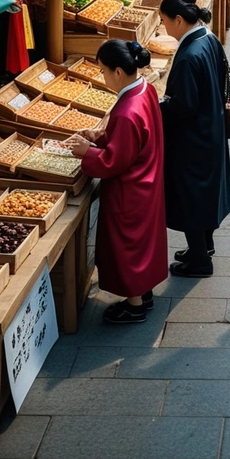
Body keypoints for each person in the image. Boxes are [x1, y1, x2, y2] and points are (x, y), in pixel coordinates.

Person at [67, 39, 167, 325]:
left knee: (127, 246)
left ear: (119, 72)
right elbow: (132, 140)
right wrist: (98, 137)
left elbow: (115, 161)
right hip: (148, 180)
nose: (102, 76)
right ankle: (143, 293)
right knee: (144, 242)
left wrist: (88, 152)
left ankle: (134, 305)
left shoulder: (125, 111)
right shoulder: (144, 89)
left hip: (130, 188)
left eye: (103, 71)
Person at [159, 0, 230, 277]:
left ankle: (200, 261)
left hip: (193, 138)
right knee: (207, 194)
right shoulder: (208, 38)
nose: (164, 28)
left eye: (165, 21)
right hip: (210, 128)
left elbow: (184, 106)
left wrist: (158, 108)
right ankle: (204, 246)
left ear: (178, 20)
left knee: (191, 198)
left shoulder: (189, 56)